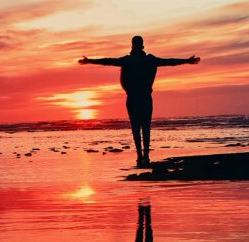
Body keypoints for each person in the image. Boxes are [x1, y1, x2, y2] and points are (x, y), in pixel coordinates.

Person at [78, 36, 200, 167]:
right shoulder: (148, 60)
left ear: (133, 46)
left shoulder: (131, 60)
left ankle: (141, 155)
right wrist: (187, 61)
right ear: (142, 46)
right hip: (144, 98)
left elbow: (109, 61)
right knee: (144, 127)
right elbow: (169, 61)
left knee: (137, 127)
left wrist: (90, 61)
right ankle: (144, 155)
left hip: (135, 98)